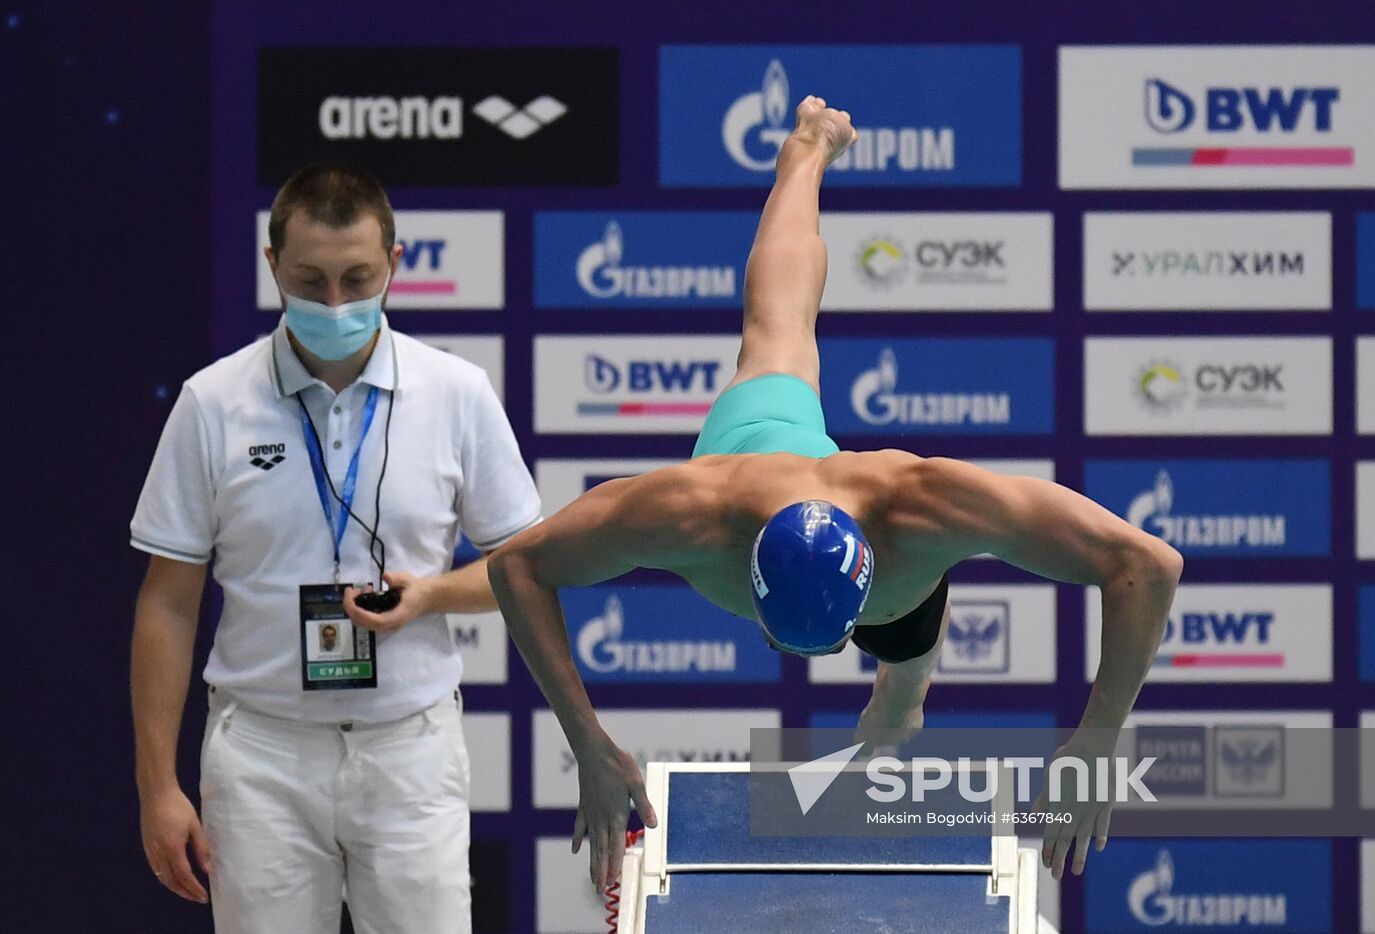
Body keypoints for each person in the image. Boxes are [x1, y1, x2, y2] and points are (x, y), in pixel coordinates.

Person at [480, 98, 1183, 891]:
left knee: (900, 680)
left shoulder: (923, 505)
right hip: (757, 448)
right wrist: (588, 743)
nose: (799, 660)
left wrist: (1096, 747)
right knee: (775, 326)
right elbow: (517, 567)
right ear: (748, 571)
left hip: (897, 571)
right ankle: (807, 147)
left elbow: (1147, 563)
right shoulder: (687, 510)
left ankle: (903, 692)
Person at [130, 162, 540, 933]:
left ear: (395, 262)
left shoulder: (456, 393)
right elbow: (168, 603)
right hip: (260, 755)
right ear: (272, 264)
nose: (335, 302)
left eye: (357, 278)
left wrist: (435, 593)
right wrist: (158, 786)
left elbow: (525, 568)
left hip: (409, 748)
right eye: (310, 280)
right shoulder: (212, 403)